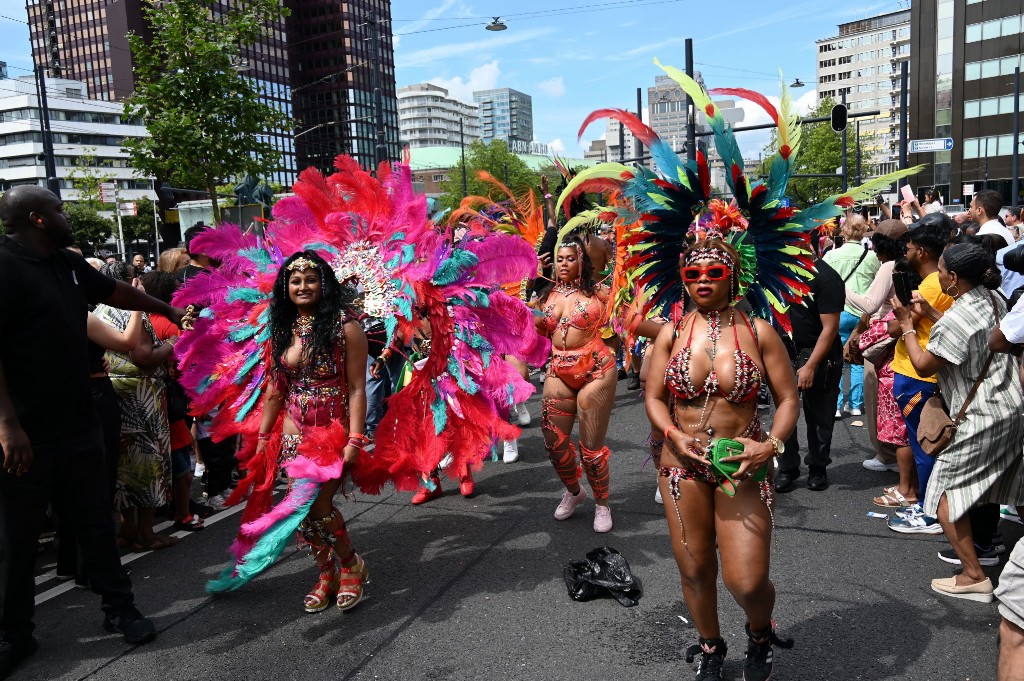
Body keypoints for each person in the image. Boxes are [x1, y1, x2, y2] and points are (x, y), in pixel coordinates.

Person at [0, 186, 187, 676]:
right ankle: (14, 633)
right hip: (26, 433)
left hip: (80, 422)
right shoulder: (3, 266)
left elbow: (114, 292)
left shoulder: (64, 262)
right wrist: (7, 425)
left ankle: (119, 609)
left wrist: (162, 307)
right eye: (59, 210)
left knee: (95, 523)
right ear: (38, 219)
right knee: (16, 539)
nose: (67, 216)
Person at [646, 240, 799, 679]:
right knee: (694, 568)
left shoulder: (758, 331)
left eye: (714, 272)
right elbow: (654, 398)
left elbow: (788, 398)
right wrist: (673, 433)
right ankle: (711, 647)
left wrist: (770, 444)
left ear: (733, 275)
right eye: (693, 275)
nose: (703, 282)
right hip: (681, 464)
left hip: (744, 466)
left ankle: (760, 634)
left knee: (746, 581)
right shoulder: (671, 332)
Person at [207, 251, 369, 613]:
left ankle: (351, 563)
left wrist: (356, 438)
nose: (302, 286)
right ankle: (326, 573)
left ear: (324, 284)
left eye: (310, 279)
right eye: (295, 281)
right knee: (300, 513)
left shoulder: (346, 328)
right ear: (286, 287)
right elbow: (275, 389)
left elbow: (357, 388)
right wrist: (264, 438)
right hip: (293, 434)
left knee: (319, 507)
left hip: (332, 431)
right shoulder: (282, 328)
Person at [892, 243, 1024, 602]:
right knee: (1011, 483)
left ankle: (973, 576)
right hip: (1011, 405)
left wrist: (907, 324)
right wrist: (933, 312)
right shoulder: (995, 298)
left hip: (981, 415)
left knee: (943, 494)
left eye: (942, 271)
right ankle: (991, 552)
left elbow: (923, 365)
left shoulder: (956, 319)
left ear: (952, 278)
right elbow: (974, 337)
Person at [95, 262, 178, 551]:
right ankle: (146, 532)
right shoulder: (133, 313)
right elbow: (143, 357)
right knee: (147, 464)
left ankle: (128, 529)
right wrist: (173, 343)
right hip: (141, 396)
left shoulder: (98, 311)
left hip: (115, 394)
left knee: (124, 467)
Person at [537, 236, 616, 532]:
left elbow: (627, 320)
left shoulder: (601, 293)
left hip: (596, 369)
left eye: (571, 258)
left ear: (582, 262)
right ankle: (574, 492)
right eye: (560, 259)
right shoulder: (548, 294)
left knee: (591, 449)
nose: (564, 264)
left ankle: (602, 503)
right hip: (559, 369)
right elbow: (536, 327)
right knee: (553, 441)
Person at [885, 213, 954, 534]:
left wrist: (897, 318)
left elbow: (893, 326)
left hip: (918, 374)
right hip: (922, 372)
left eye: (910, 247)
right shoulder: (939, 282)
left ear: (923, 252)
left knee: (925, 444)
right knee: (925, 442)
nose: (906, 252)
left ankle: (929, 512)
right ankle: (928, 504)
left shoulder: (929, 286)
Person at [841, 219, 908, 475]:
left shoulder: (889, 266)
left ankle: (885, 454)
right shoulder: (903, 264)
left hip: (883, 337)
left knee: (876, 397)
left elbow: (870, 304)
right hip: (898, 337)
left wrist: (842, 287)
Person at [774, 257, 843, 492]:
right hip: (783, 350)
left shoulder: (826, 277)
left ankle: (817, 466)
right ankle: (787, 467)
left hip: (819, 353)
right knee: (784, 412)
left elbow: (830, 328)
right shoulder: (777, 270)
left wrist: (811, 365)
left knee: (820, 415)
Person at [823, 214, 880, 418]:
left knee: (836, 357)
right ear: (863, 230)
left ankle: (836, 405)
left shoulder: (831, 255)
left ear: (844, 231)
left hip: (837, 311)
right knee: (857, 357)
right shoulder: (872, 257)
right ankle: (856, 404)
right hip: (863, 313)